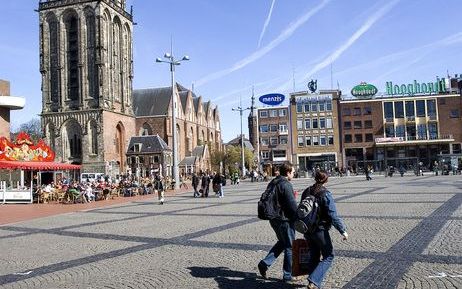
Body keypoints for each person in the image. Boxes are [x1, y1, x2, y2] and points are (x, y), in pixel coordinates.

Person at [301, 170, 348, 289]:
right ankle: (313, 281)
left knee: (314, 255)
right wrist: (343, 230)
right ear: (326, 180)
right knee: (329, 255)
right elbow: (333, 215)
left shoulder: (307, 191)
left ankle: (313, 284)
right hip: (320, 229)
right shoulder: (325, 194)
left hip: (307, 229)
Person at [257, 162, 298, 283]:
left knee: (282, 242)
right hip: (284, 219)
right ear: (288, 172)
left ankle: (264, 264)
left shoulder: (274, 181)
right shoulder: (286, 184)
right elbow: (291, 206)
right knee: (289, 246)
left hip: (273, 218)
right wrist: (298, 218)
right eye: (293, 172)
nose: (294, 174)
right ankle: (287, 275)